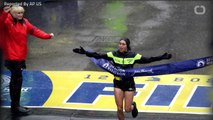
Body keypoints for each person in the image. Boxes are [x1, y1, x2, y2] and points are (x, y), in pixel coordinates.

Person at [73, 38, 172, 120]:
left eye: (123, 44)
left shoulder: (133, 56)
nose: (120, 46)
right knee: (119, 108)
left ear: (127, 46)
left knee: (127, 109)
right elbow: (98, 56)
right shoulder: (113, 54)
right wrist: (85, 52)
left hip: (129, 84)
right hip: (118, 83)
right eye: (119, 44)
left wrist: (162, 57)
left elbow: (148, 59)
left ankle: (133, 106)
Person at [0, 5, 54, 115]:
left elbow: (34, 30)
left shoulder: (24, 22)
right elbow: (1, 24)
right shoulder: (7, 21)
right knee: (16, 81)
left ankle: (16, 105)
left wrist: (47, 36)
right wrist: (4, 13)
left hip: (20, 55)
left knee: (17, 81)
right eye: (17, 13)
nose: (20, 15)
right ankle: (15, 107)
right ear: (12, 13)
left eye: (21, 13)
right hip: (11, 56)